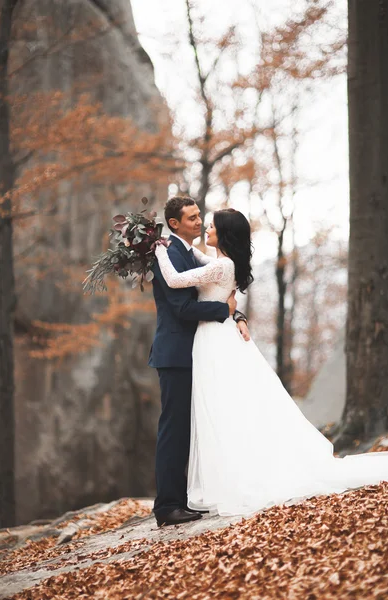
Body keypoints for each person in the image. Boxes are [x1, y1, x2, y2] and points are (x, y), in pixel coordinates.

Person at [154, 207, 388, 517]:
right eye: (202, 221)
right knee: (220, 407)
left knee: (222, 407)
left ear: (224, 234)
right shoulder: (220, 262)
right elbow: (206, 272)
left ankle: (235, 478)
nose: (206, 227)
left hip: (214, 340)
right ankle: (220, 479)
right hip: (212, 338)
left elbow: (176, 280)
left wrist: (159, 250)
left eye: (212, 225)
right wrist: (234, 312)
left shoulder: (221, 266)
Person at [148, 196, 249, 527]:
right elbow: (182, 308)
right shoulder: (171, 252)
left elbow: (218, 285)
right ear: (174, 224)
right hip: (175, 352)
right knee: (174, 429)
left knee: (187, 427)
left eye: (200, 217)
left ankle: (182, 499)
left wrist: (236, 313)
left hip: (194, 350)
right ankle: (167, 506)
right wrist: (227, 311)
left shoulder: (188, 253)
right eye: (192, 217)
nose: (199, 222)